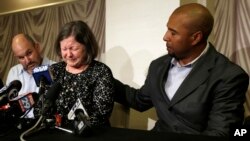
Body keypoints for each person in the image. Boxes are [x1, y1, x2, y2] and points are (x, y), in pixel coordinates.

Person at [114, 3, 249, 136]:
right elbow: (139, 100)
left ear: (195, 37)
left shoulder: (229, 76)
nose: (165, 37)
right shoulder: (158, 66)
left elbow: (220, 132)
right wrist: (103, 76)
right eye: (168, 29)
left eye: (173, 33)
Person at [34, 20, 114, 128]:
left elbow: (101, 115)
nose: (68, 54)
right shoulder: (54, 70)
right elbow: (40, 110)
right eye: (64, 49)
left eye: (74, 48)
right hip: (55, 133)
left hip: (90, 134)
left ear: (87, 46)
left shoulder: (101, 71)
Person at [6, 33, 55, 118]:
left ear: (37, 47)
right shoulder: (13, 73)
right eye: (21, 57)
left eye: (29, 53)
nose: (27, 60)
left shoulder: (55, 69)